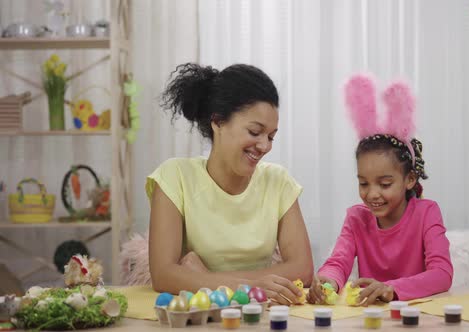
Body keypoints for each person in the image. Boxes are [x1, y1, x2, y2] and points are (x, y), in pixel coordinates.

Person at [148, 63, 313, 304]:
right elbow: (163, 275)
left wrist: (203, 278)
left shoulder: (278, 182)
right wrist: (250, 287)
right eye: (255, 132)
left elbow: (303, 269)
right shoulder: (174, 177)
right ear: (217, 121)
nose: (265, 146)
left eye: (271, 136)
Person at [308, 75, 453, 305]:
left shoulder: (427, 212)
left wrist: (391, 289)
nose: (372, 194)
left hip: (415, 317)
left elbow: (442, 274)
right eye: (363, 183)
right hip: (371, 318)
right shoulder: (356, 218)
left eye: (384, 184)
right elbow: (338, 262)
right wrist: (327, 283)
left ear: (409, 179)